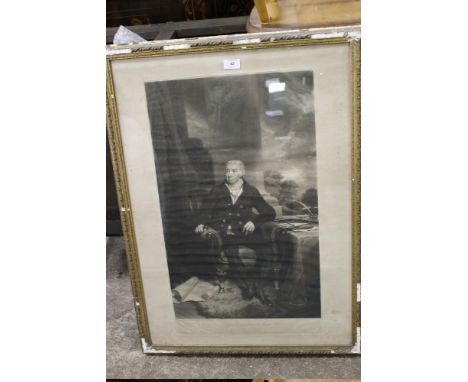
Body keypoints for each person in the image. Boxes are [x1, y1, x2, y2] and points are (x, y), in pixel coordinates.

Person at [194, 160, 276, 304]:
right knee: (233, 255)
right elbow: (203, 212)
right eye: (227, 170)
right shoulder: (217, 190)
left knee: (267, 250)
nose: (229, 174)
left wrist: (254, 222)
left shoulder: (251, 191)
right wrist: (200, 223)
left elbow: (270, 212)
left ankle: (258, 285)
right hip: (225, 234)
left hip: (246, 233)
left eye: (234, 170)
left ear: (242, 173)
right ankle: (248, 285)